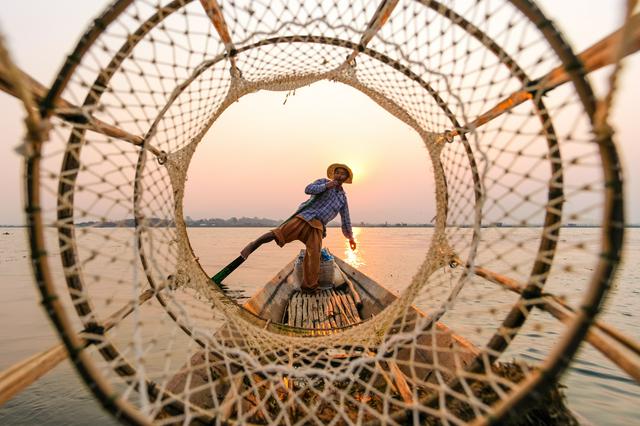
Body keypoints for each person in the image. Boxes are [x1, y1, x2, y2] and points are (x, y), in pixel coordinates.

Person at [240, 163, 357, 294]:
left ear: (346, 178)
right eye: (337, 172)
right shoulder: (323, 182)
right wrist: (326, 186)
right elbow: (308, 189)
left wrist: (350, 238)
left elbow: (346, 219)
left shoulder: (342, 199)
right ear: (333, 174)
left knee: (314, 256)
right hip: (305, 216)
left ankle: (309, 287)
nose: (339, 175)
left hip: (318, 226)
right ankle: (253, 245)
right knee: (278, 234)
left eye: (342, 174)